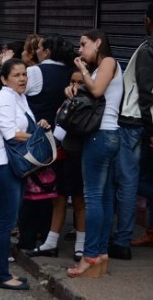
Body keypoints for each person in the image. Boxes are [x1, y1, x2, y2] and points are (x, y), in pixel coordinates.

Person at [0, 58, 50, 290]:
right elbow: (9, 133)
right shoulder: (4, 97)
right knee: (6, 220)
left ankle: (1, 271)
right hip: (5, 165)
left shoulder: (19, 97)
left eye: (25, 74)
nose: (23, 78)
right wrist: (39, 137)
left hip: (16, 166)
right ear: (4, 79)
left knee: (8, 219)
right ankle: (1, 275)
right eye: (17, 75)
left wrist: (39, 126)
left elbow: (25, 129)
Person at [66, 29, 122, 278]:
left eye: (83, 44)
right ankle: (99, 254)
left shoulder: (109, 61)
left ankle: (89, 256)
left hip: (101, 136)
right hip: (107, 136)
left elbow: (97, 92)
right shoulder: (103, 66)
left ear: (98, 42)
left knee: (94, 197)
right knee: (105, 196)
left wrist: (84, 71)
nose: (80, 50)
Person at [29, 70, 86, 261]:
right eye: (72, 81)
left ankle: (80, 245)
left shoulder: (86, 103)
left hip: (77, 157)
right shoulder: (65, 103)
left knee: (79, 201)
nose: (75, 86)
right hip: (62, 157)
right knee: (58, 200)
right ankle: (51, 242)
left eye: (80, 82)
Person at [112, 2, 153, 257]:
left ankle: (122, 241)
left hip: (136, 122)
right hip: (144, 124)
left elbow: (146, 93)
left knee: (127, 181)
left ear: (148, 19)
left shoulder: (148, 49)